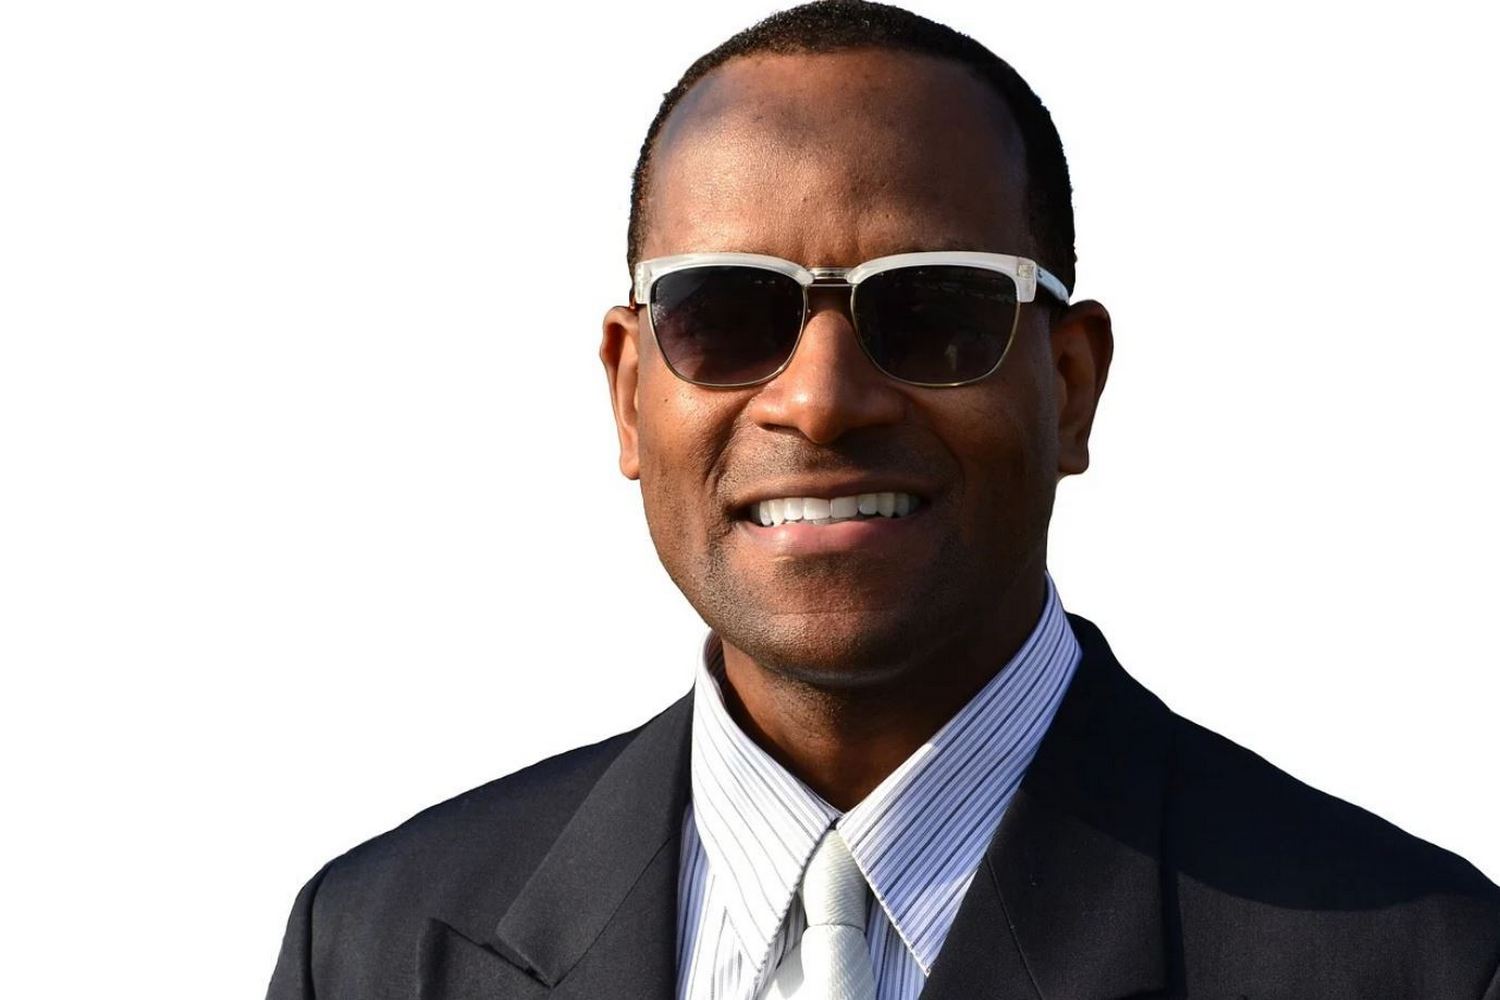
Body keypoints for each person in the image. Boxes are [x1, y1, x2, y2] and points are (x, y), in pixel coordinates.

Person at [266, 2, 1500, 997]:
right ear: (630, 392)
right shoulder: (377, 947)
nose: (820, 399)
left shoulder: (1417, 962)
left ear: (1071, 386)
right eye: (725, 314)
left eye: (932, 310)